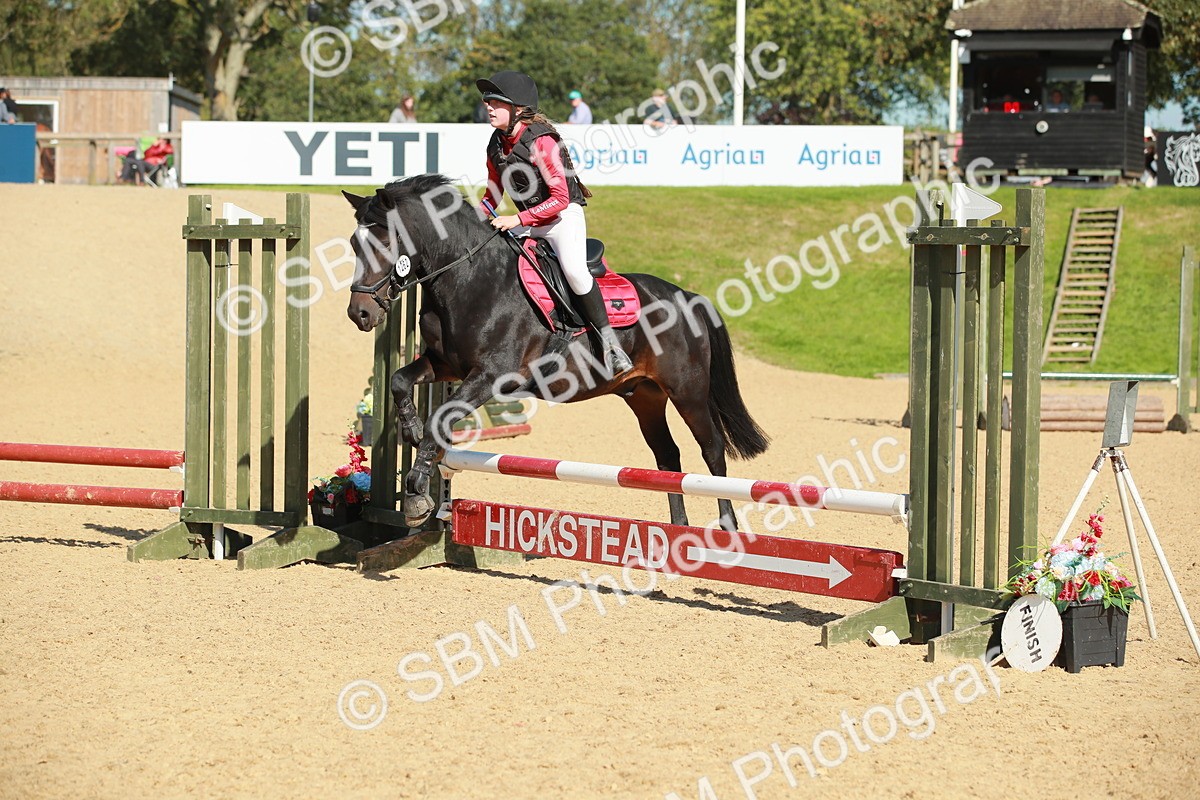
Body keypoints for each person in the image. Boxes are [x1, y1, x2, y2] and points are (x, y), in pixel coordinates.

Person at [476, 70, 633, 376]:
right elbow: (493, 192)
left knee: (575, 270)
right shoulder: (495, 143)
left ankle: (611, 345)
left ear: (518, 108)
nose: (489, 107)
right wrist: (476, 214)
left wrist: (518, 219)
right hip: (527, 221)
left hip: (562, 219)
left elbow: (560, 198)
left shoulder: (542, 142)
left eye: (496, 102)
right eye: (487, 102)